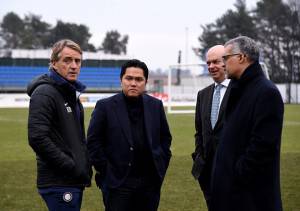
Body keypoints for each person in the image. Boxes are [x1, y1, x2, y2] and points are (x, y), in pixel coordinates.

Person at [209, 36, 284, 211]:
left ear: (241, 57)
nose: (223, 64)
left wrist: (236, 175)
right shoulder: (239, 89)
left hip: (248, 197)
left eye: (226, 58)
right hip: (231, 193)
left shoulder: (266, 92)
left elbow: (262, 147)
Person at [87, 59, 172, 211]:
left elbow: (165, 139)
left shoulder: (155, 106)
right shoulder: (105, 106)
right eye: (129, 78)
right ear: (121, 80)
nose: (133, 83)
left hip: (149, 184)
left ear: (145, 82)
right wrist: (106, 171)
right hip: (117, 184)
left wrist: (160, 167)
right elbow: (93, 142)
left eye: (139, 79)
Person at [27, 39, 92, 211]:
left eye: (77, 61)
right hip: (59, 181)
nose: (73, 65)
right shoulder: (45, 93)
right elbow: (37, 138)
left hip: (71, 180)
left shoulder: (69, 93)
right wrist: (71, 165)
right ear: (54, 63)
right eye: (67, 60)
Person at [191, 45, 231, 208]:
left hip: (232, 170)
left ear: (226, 62)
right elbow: (199, 131)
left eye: (215, 62)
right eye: (208, 63)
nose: (211, 66)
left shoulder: (240, 91)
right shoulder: (203, 94)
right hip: (207, 171)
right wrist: (199, 156)